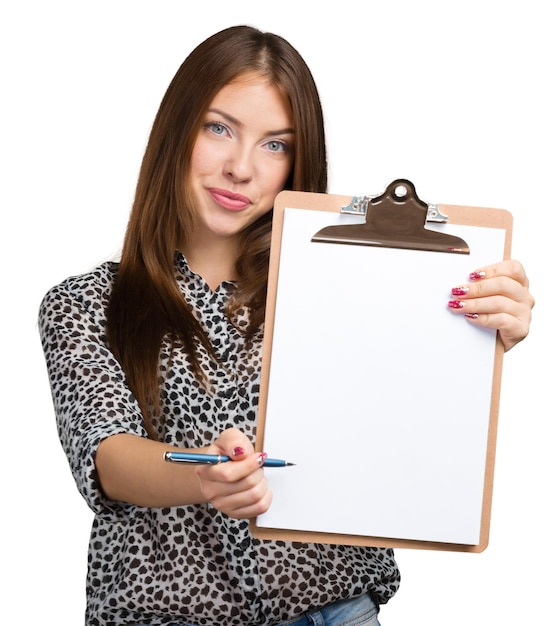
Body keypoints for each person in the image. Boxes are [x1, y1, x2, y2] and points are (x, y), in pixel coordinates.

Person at [38, 25, 534, 626]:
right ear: (177, 131)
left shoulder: (345, 280)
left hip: (337, 609)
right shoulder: (89, 303)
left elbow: (402, 418)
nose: (241, 168)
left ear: (298, 163)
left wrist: (477, 335)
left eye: (275, 145)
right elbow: (109, 458)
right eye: (218, 128)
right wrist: (205, 477)